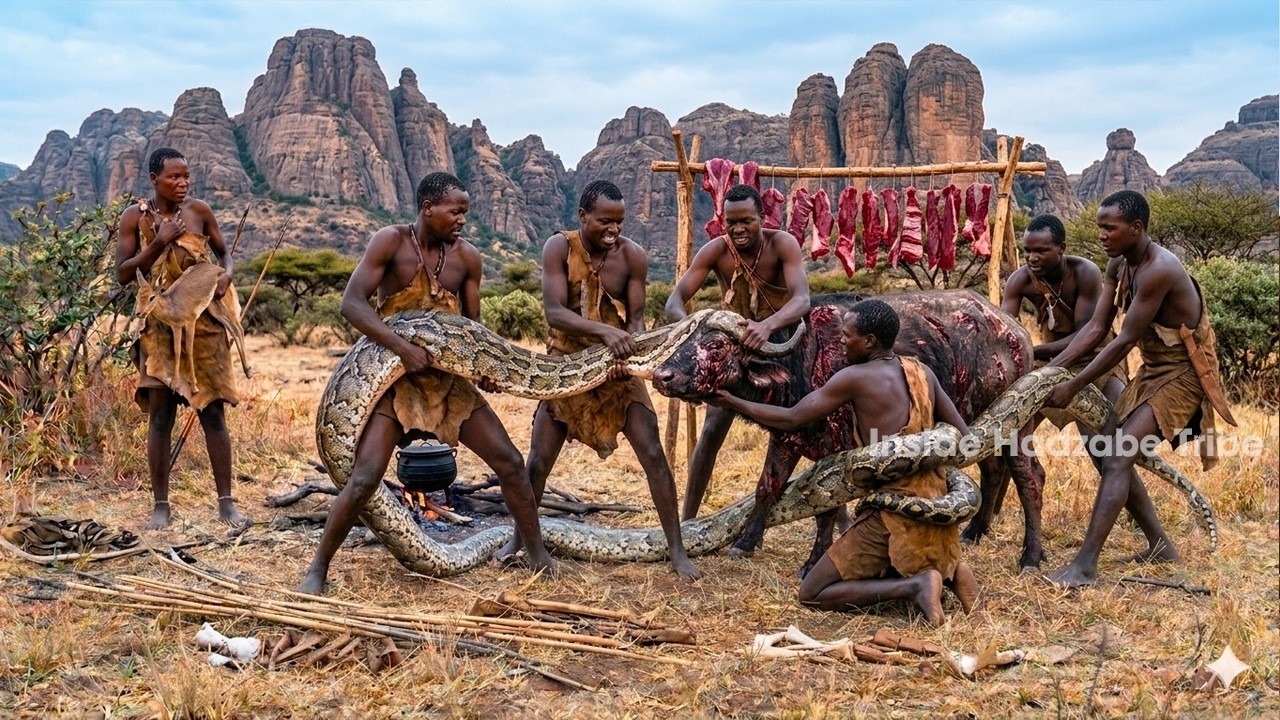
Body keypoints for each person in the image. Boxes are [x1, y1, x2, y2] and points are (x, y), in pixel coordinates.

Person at [297, 172, 554, 595]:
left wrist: (484, 370)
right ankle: (318, 568)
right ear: (427, 207)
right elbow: (352, 304)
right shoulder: (391, 242)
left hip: (449, 383)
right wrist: (402, 349)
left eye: (466, 212)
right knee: (364, 478)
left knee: (509, 463)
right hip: (397, 383)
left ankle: (536, 553)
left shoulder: (468, 258)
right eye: (455, 211)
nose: (462, 220)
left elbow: (474, 328)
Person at [708, 299, 977, 625]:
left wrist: (733, 401)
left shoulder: (854, 378)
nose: (839, 341)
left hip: (893, 512)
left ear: (869, 342)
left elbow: (792, 418)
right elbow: (963, 437)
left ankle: (915, 585)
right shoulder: (924, 372)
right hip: (940, 504)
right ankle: (951, 572)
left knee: (813, 592)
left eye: (846, 335)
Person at [497, 181, 701, 581]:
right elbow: (555, 312)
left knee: (653, 454)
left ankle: (676, 549)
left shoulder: (633, 257)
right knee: (538, 462)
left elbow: (637, 319)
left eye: (620, 221)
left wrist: (632, 348)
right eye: (605, 220)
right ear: (582, 217)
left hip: (616, 366)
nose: (614, 229)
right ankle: (518, 542)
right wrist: (605, 332)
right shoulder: (559, 248)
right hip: (565, 363)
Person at [1043, 190, 1236, 588]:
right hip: (1152, 370)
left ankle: (1084, 567)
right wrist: (1048, 371)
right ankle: (1160, 545)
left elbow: (1123, 340)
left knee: (1117, 455)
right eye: (1099, 227)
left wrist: (1073, 384)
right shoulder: (1118, 264)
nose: (1101, 235)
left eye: (1109, 227)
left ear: (1136, 228)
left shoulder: (1158, 269)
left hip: (1183, 376)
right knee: (1106, 452)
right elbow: (1095, 329)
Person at [116, 147, 249, 530]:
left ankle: (226, 504)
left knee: (213, 413)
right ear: (154, 179)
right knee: (161, 416)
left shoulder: (200, 212)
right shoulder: (134, 219)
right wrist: (158, 243)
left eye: (185, 177)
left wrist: (226, 275)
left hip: (205, 324)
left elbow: (225, 255)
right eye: (173, 177)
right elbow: (123, 274)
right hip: (158, 327)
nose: (182, 183)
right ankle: (161, 506)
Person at [666, 184, 810, 525]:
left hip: (784, 348)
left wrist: (767, 326)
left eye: (746, 220)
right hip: (734, 352)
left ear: (762, 217)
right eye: (731, 222)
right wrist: (696, 331)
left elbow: (802, 300)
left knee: (809, 428)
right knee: (713, 429)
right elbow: (674, 301)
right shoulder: (716, 251)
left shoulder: (783, 244)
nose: (738, 229)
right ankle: (688, 522)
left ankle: (837, 515)